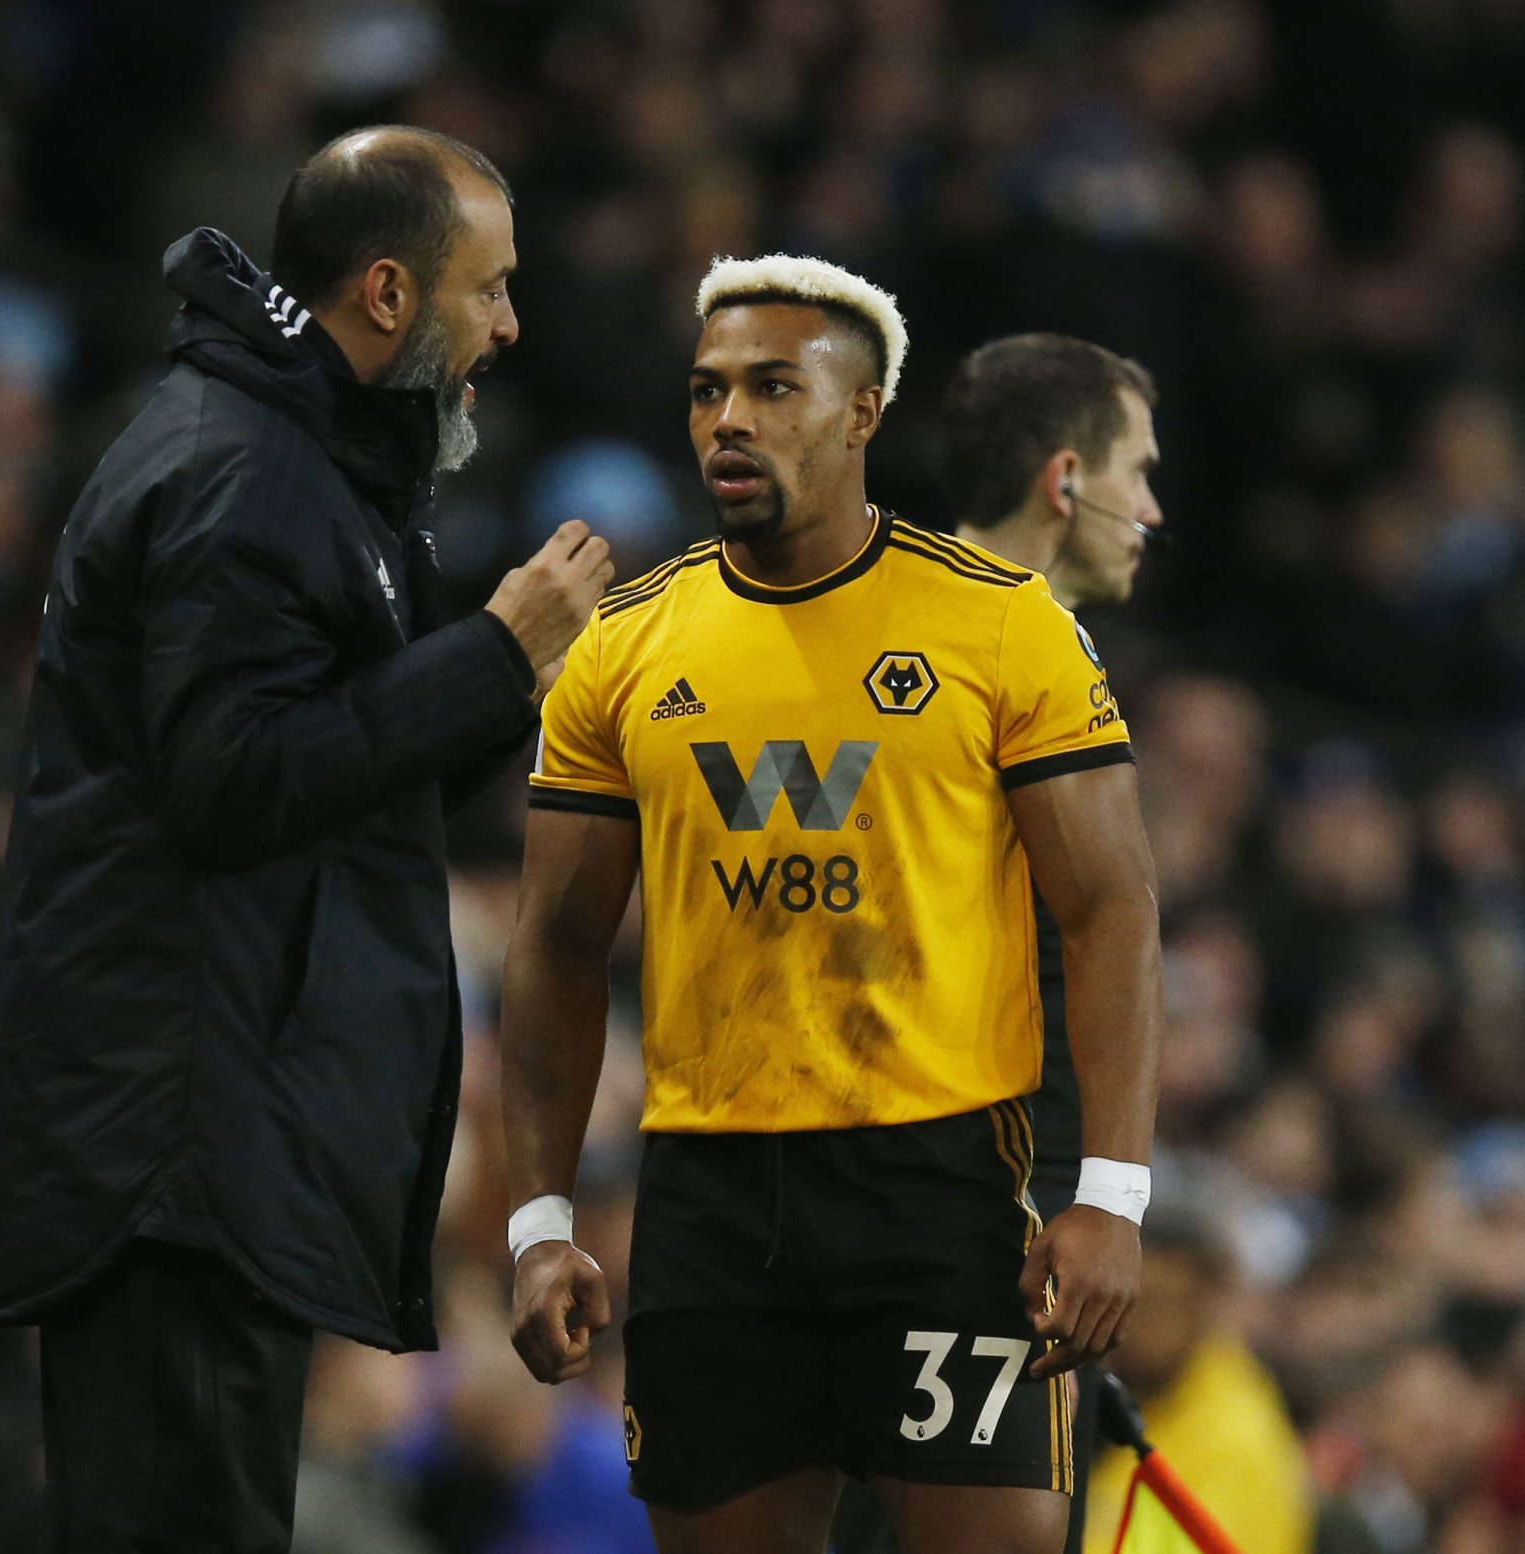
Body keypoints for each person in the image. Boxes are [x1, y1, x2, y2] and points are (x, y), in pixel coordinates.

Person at [0, 125, 613, 1553]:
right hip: (174, 1144)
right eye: (486, 289)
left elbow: (334, 774)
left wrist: (508, 687)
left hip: (215, 1123)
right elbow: (233, 783)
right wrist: (493, 656)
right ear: (386, 291)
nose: (509, 324)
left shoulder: (303, 455)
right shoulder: (244, 470)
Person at [499, 256, 1163, 1554]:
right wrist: (539, 1221)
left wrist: (1113, 1197)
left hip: (939, 1188)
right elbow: (557, 948)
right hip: (708, 1202)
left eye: (769, 387)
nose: (728, 421)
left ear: (861, 412)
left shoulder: (1000, 625)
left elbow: (1113, 909)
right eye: (706, 393)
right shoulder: (622, 649)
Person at [835, 332, 1169, 1554]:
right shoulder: (998, 647)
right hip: (982, 1188)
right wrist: (1080, 1208)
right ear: (1064, 479)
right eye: (1138, 473)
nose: (1152, 509)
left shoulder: (906, 632)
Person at [1081, 1206, 1312, 1554]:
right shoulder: (1134, 1402)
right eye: (1127, 1302)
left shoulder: (1236, 1437)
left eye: (1163, 1305)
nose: (1139, 1326)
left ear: (1206, 1305)